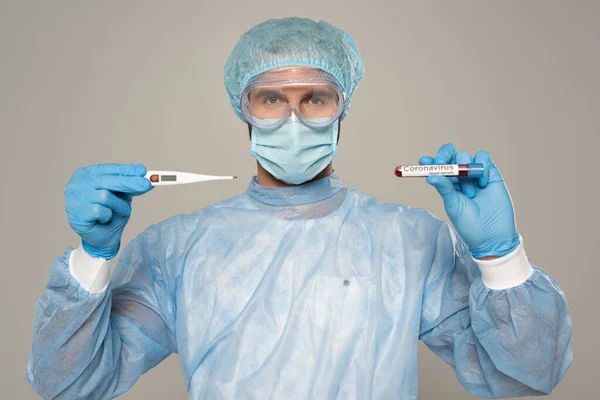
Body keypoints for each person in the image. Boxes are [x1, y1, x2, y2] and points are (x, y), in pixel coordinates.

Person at [26, 17, 572, 399]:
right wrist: (92, 257)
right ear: (245, 111)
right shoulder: (178, 250)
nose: (293, 119)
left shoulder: (409, 242)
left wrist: (501, 259)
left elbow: (525, 377)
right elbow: (70, 385)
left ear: (342, 111)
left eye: (315, 99)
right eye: (272, 100)